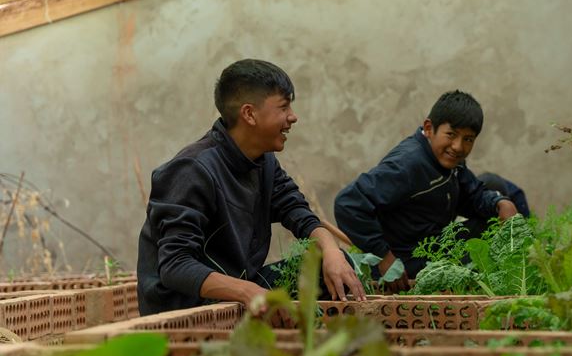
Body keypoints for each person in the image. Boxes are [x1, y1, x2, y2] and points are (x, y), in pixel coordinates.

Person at [137, 59, 365, 315]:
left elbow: (298, 211)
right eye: (283, 106)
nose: (293, 117)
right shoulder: (192, 169)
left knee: (334, 266)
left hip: (241, 290)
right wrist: (249, 292)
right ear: (249, 114)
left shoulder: (264, 161)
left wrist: (332, 250)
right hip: (188, 306)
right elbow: (175, 266)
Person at [334, 90, 519, 291]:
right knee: (480, 252)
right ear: (429, 128)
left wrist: (499, 203)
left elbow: (472, 195)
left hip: (433, 245)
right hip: (404, 262)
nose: (458, 146)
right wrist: (384, 257)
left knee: (493, 218)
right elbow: (348, 203)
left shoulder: (450, 162)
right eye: (451, 134)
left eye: (468, 139)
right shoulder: (408, 164)